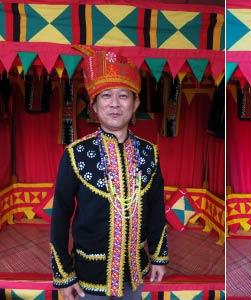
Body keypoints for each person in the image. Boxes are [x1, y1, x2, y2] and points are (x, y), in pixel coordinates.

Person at [50, 46, 168, 300]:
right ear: (93, 105)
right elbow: (60, 214)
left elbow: (157, 208)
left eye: (123, 96)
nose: (115, 104)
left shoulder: (150, 153)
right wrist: (63, 274)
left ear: (136, 103)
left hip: (135, 275)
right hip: (87, 278)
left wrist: (159, 257)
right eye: (105, 96)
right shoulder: (76, 154)